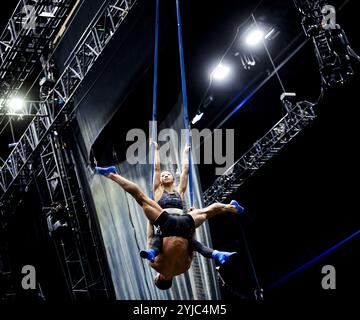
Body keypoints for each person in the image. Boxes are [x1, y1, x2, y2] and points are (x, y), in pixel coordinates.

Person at [95, 158, 244, 290]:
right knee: (140, 197)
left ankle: (228, 222)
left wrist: (191, 220)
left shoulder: (184, 268)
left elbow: (191, 244)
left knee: (208, 211)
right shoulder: (155, 265)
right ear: (160, 278)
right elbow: (150, 237)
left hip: (185, 226)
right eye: (157, 277)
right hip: (167, 224)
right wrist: (151, 220)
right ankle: (111, 175)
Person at [139, 141, 241, 265]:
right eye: (163, 176)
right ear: (160, 181)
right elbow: (156, 168)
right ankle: (152, 252)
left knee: (208, 212)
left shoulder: (179, 191)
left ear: (172, 179)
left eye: (168, 174)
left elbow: (185, 171)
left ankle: (232, 208)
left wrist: (186, 153)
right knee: (161, 239)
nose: (165, 176)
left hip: (181, 223)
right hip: (165, 225)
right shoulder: (158, 191)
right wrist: (155, 149)